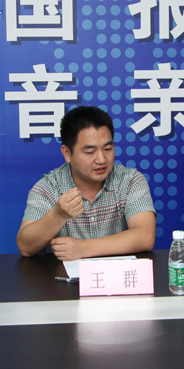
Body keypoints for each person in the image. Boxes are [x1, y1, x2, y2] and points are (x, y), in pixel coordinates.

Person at [17, 106, 156, 261]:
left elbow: (145, 236)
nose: (101, 159)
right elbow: (26, 246)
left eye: (108, 149)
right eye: (90, 152)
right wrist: (57, 215)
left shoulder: (130, 180)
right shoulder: (49, 187)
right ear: (67, 153)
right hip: (62, 276)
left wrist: (83, 248)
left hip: (118, 275)